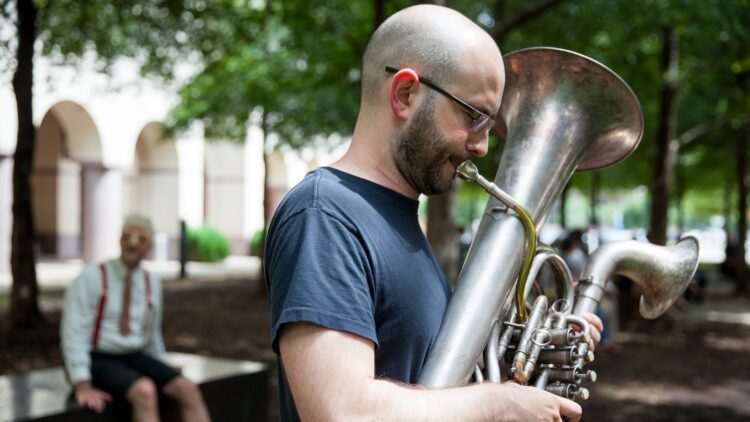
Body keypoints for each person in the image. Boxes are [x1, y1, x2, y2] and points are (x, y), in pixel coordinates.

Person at [265, 5, 602, 422]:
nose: (482, 147)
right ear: (405, 94)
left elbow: (428, 388)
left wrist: (532, 354)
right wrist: (493, 405)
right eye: (474, 116)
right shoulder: (324, 215)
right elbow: (341, 412)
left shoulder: (399, 219)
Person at [61, 215, 210, 422]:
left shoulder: (151, 281)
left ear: (149, 245)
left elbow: (151, 333)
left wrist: (161, 365)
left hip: (134, 355)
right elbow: (73, 332)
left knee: (188, 388)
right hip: (99, 356)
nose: (132, 243)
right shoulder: (93, 275)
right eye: (127, 236)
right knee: (145, 391)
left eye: (141, 239)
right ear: (119, 239)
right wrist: (82, 383)